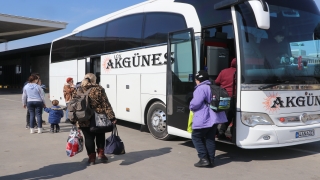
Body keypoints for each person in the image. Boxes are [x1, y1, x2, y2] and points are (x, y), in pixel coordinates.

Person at [69, 73, 116, 165]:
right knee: (100, 135)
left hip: (83, 117)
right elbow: (106, 104)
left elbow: (73, 105)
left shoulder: (78, 89)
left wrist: (73, 119)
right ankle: (101, 154)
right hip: (98, 117)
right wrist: (112, 117)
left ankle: (91, 158)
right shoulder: (98, 89)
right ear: (94, 80)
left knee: (88, 138)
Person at [190, 70, 227, 168]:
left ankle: (203, 158)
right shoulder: (213, 87)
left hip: (204, 117)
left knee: (196, 136)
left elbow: (196, 103)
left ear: (198, 80)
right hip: (215, 117)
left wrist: (191, 106)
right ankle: (211, 160)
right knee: (210, 139)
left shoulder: (200, 88)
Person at [215, 58, 237, 140]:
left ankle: (220, 132)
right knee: (235, 116)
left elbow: (217, 82)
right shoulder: (240, 72)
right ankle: (234, 134)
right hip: (235, 98)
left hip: (224, 97)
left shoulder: (223, 71)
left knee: (224, 116)